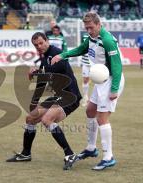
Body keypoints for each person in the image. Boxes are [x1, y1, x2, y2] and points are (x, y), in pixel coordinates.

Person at [51, 12, 125, 170]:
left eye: (91, 27)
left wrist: (114, 89)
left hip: (111, 81)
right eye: (86, 28)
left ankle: (108, 157)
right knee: (90, 111)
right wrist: (63, 55)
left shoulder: (107, 41)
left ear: (99, 24)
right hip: (101, 82)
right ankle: (91, 148)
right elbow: (81, 49)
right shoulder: (90, 38)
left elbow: (117, 67)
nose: (89, 31)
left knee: (102, 118)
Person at [6, 32, 82, 170]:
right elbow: (41, 82)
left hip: (70, 96)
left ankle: (69, 154)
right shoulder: (44, 59)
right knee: (30, 118)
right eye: (36, 45)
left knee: (47, 120)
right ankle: (25, 154)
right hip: (58, 96)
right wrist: (34, 102)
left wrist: (38, 72)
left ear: (47, 40)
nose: (39, 46)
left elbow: (57, 69)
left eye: (41, 43)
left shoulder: (57, 53)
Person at [80, 33, 90, 107]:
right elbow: (82, 48)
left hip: (95, 63)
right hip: (85, 62)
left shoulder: (99, 36)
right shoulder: (84, 36)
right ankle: (85, 97)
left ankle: (97, 100)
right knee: (85, 80)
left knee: (98, 81)